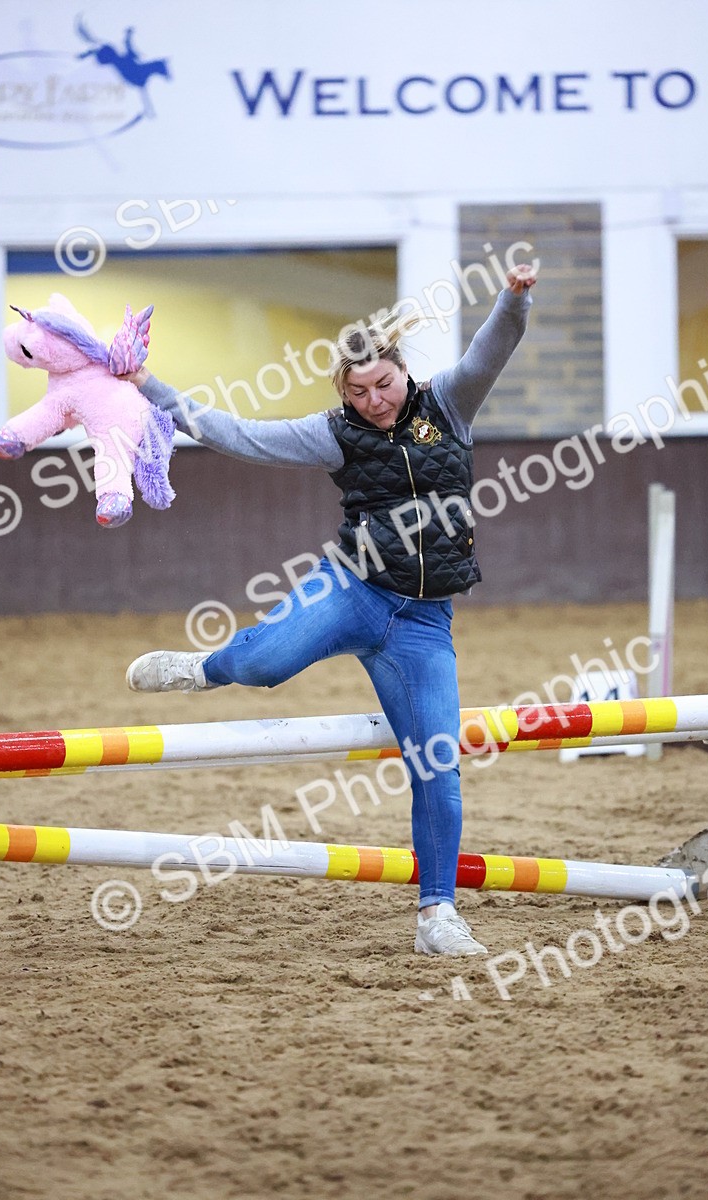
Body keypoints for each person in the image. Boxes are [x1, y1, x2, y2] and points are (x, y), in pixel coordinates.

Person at [125, 264, 536, 955]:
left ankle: (438, 916)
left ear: (404, 372)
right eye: (359, 391)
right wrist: (147, 387)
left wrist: (515, 298)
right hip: (350, 588)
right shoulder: (332, 432)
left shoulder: (451, 405)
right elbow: (234, 433)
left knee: (438, 765)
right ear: (343, 393)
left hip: (423, 623)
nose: (375, 400)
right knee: (261, 665)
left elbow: (493, 347)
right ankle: (205, 667)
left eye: (385, 384)